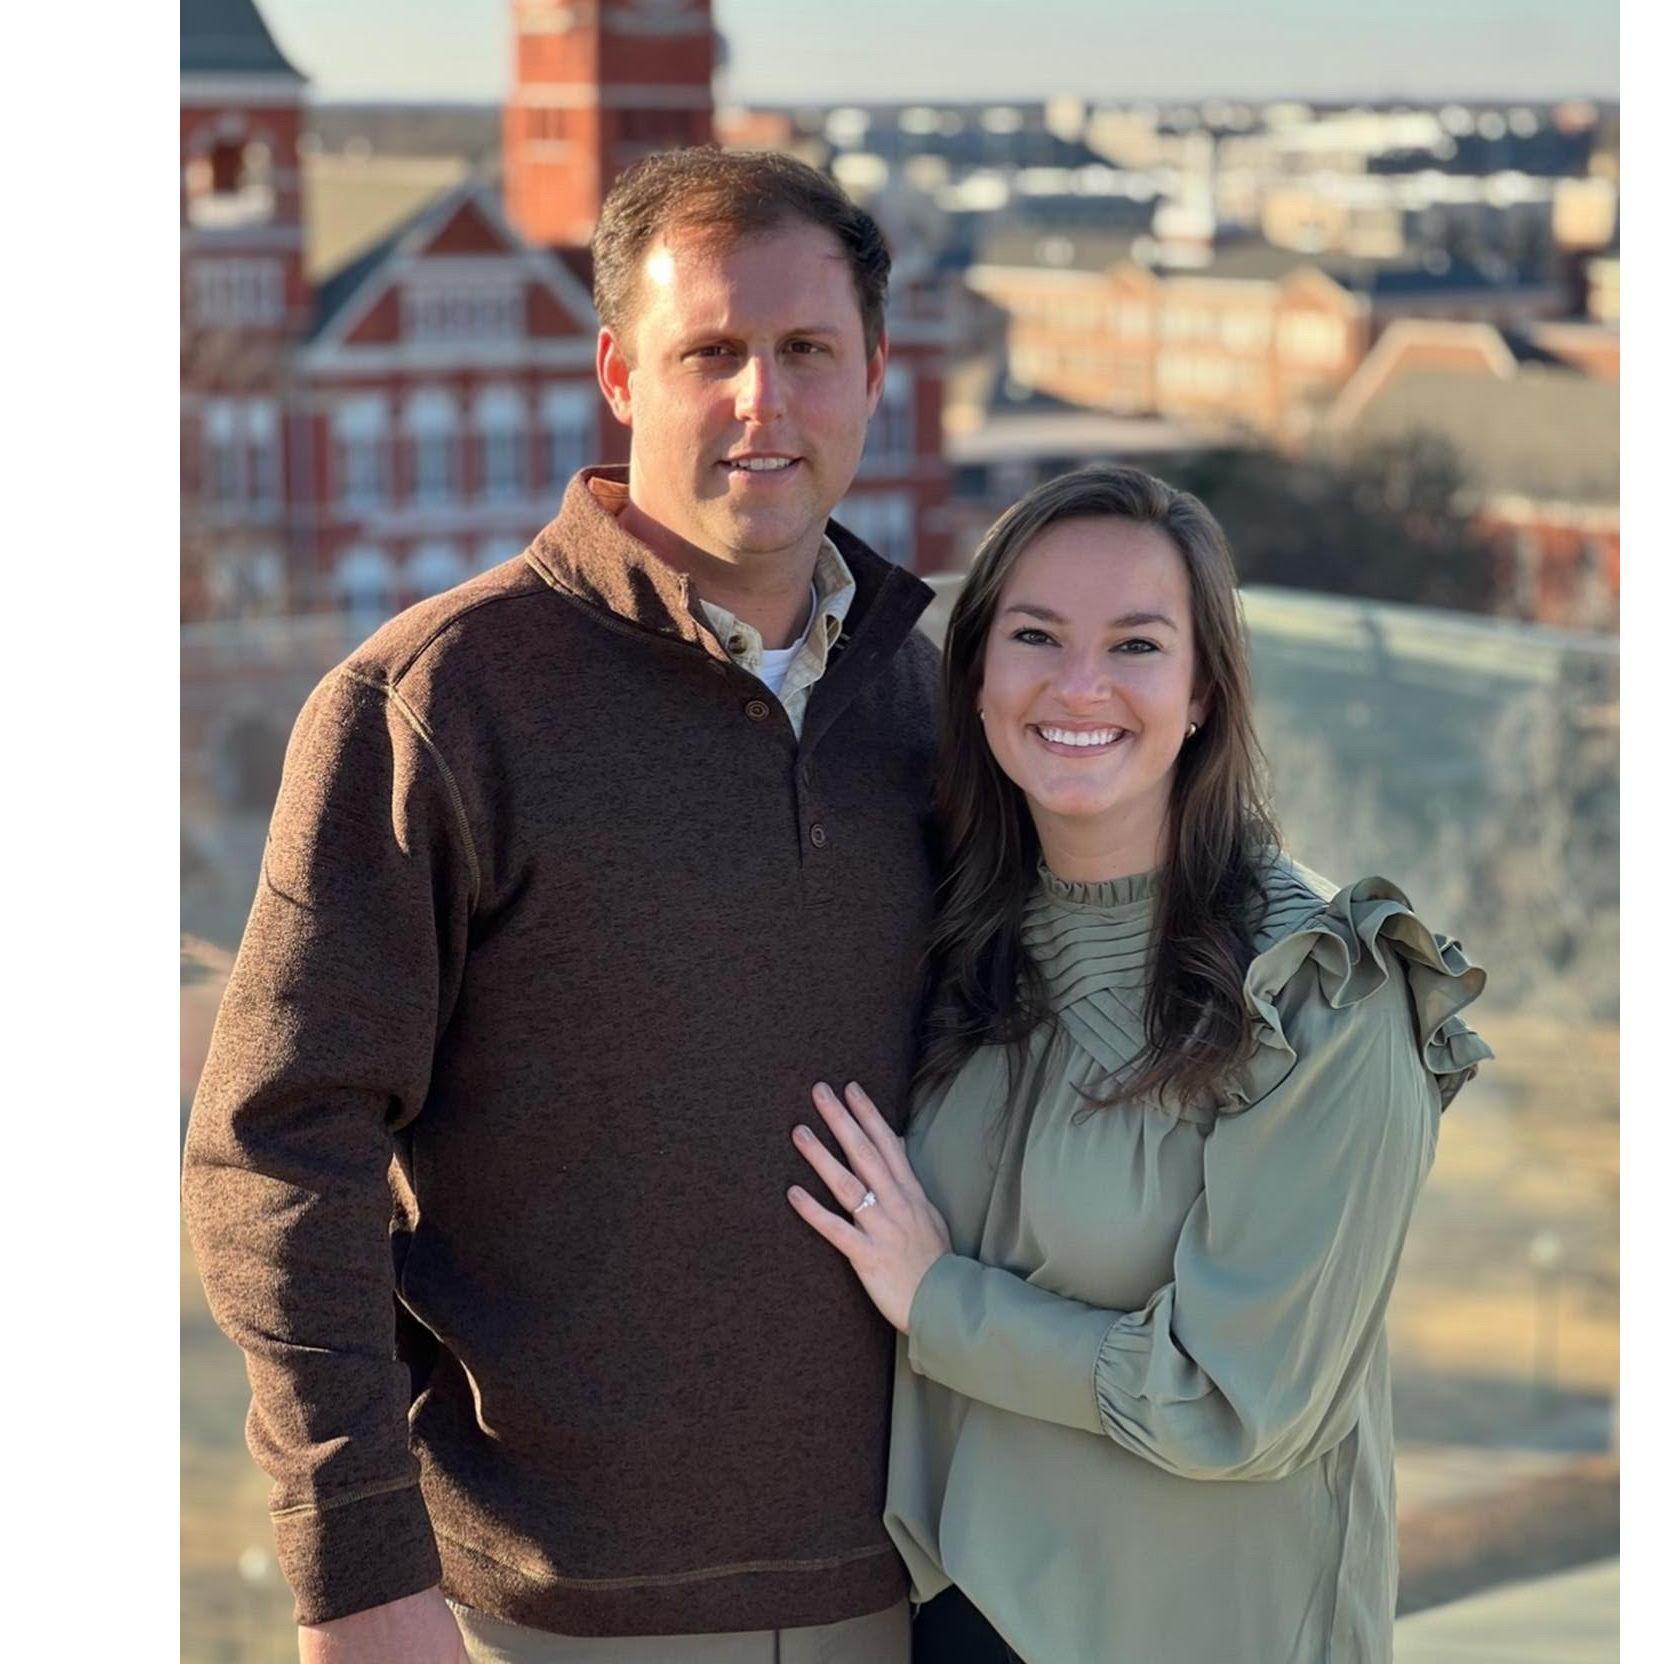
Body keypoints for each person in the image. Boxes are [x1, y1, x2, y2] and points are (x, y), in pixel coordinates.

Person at [183, 147, 939, 1664]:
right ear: (617, 375)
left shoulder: (928, 703)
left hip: (903, 1580)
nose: (762, 402)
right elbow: (276, 1151)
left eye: (806, 351)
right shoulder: (433, 706)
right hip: (543, 1609)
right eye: (709, 352)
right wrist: (357, 1571)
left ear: (873, 375)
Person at [787, 465, 1493, 1664]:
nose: (1079, 684)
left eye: (1135, 644)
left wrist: (938, 1298)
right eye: (1034, 635)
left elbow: (1238, 1399)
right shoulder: (960, 934)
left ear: (1202, 688)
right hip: (953, 1619)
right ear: (975, 673)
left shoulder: (1322, 990)